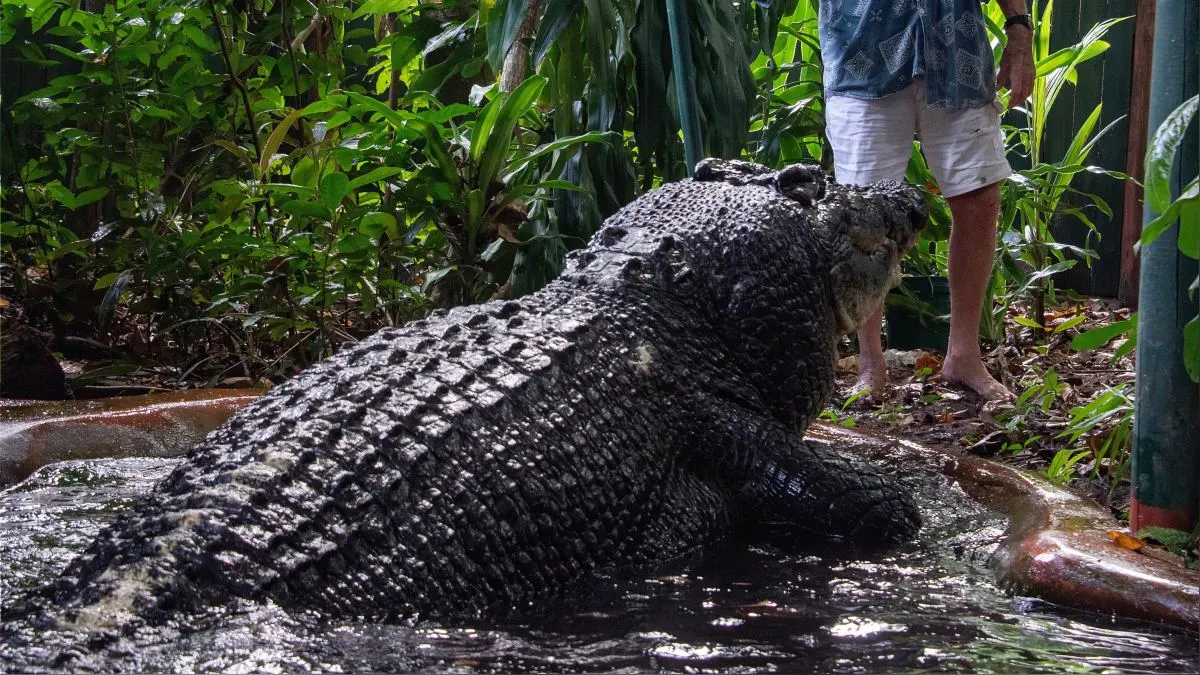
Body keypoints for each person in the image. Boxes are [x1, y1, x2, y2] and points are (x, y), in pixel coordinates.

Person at [817, 0, 1035, 400]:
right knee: (864, 216)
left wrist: (1019, 28)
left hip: (956, 54)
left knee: (979, 198)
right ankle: (870, 364)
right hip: (862, 57)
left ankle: (964, 356)